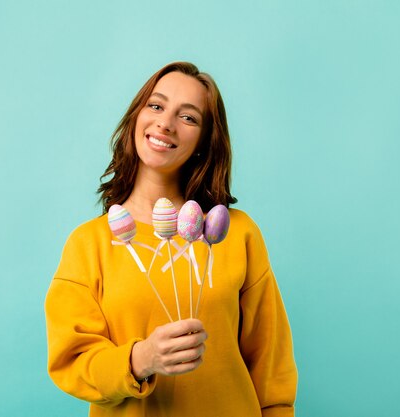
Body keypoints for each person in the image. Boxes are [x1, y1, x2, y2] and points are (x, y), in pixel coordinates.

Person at [45, 62, 298, 416]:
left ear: (203, 142)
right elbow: (71, 362)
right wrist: (140, 359)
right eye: (156, 106)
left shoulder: (236, 233)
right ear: (137, 117)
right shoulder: (88, 244)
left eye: (189, 117)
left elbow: (271, 362)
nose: (166, 123)